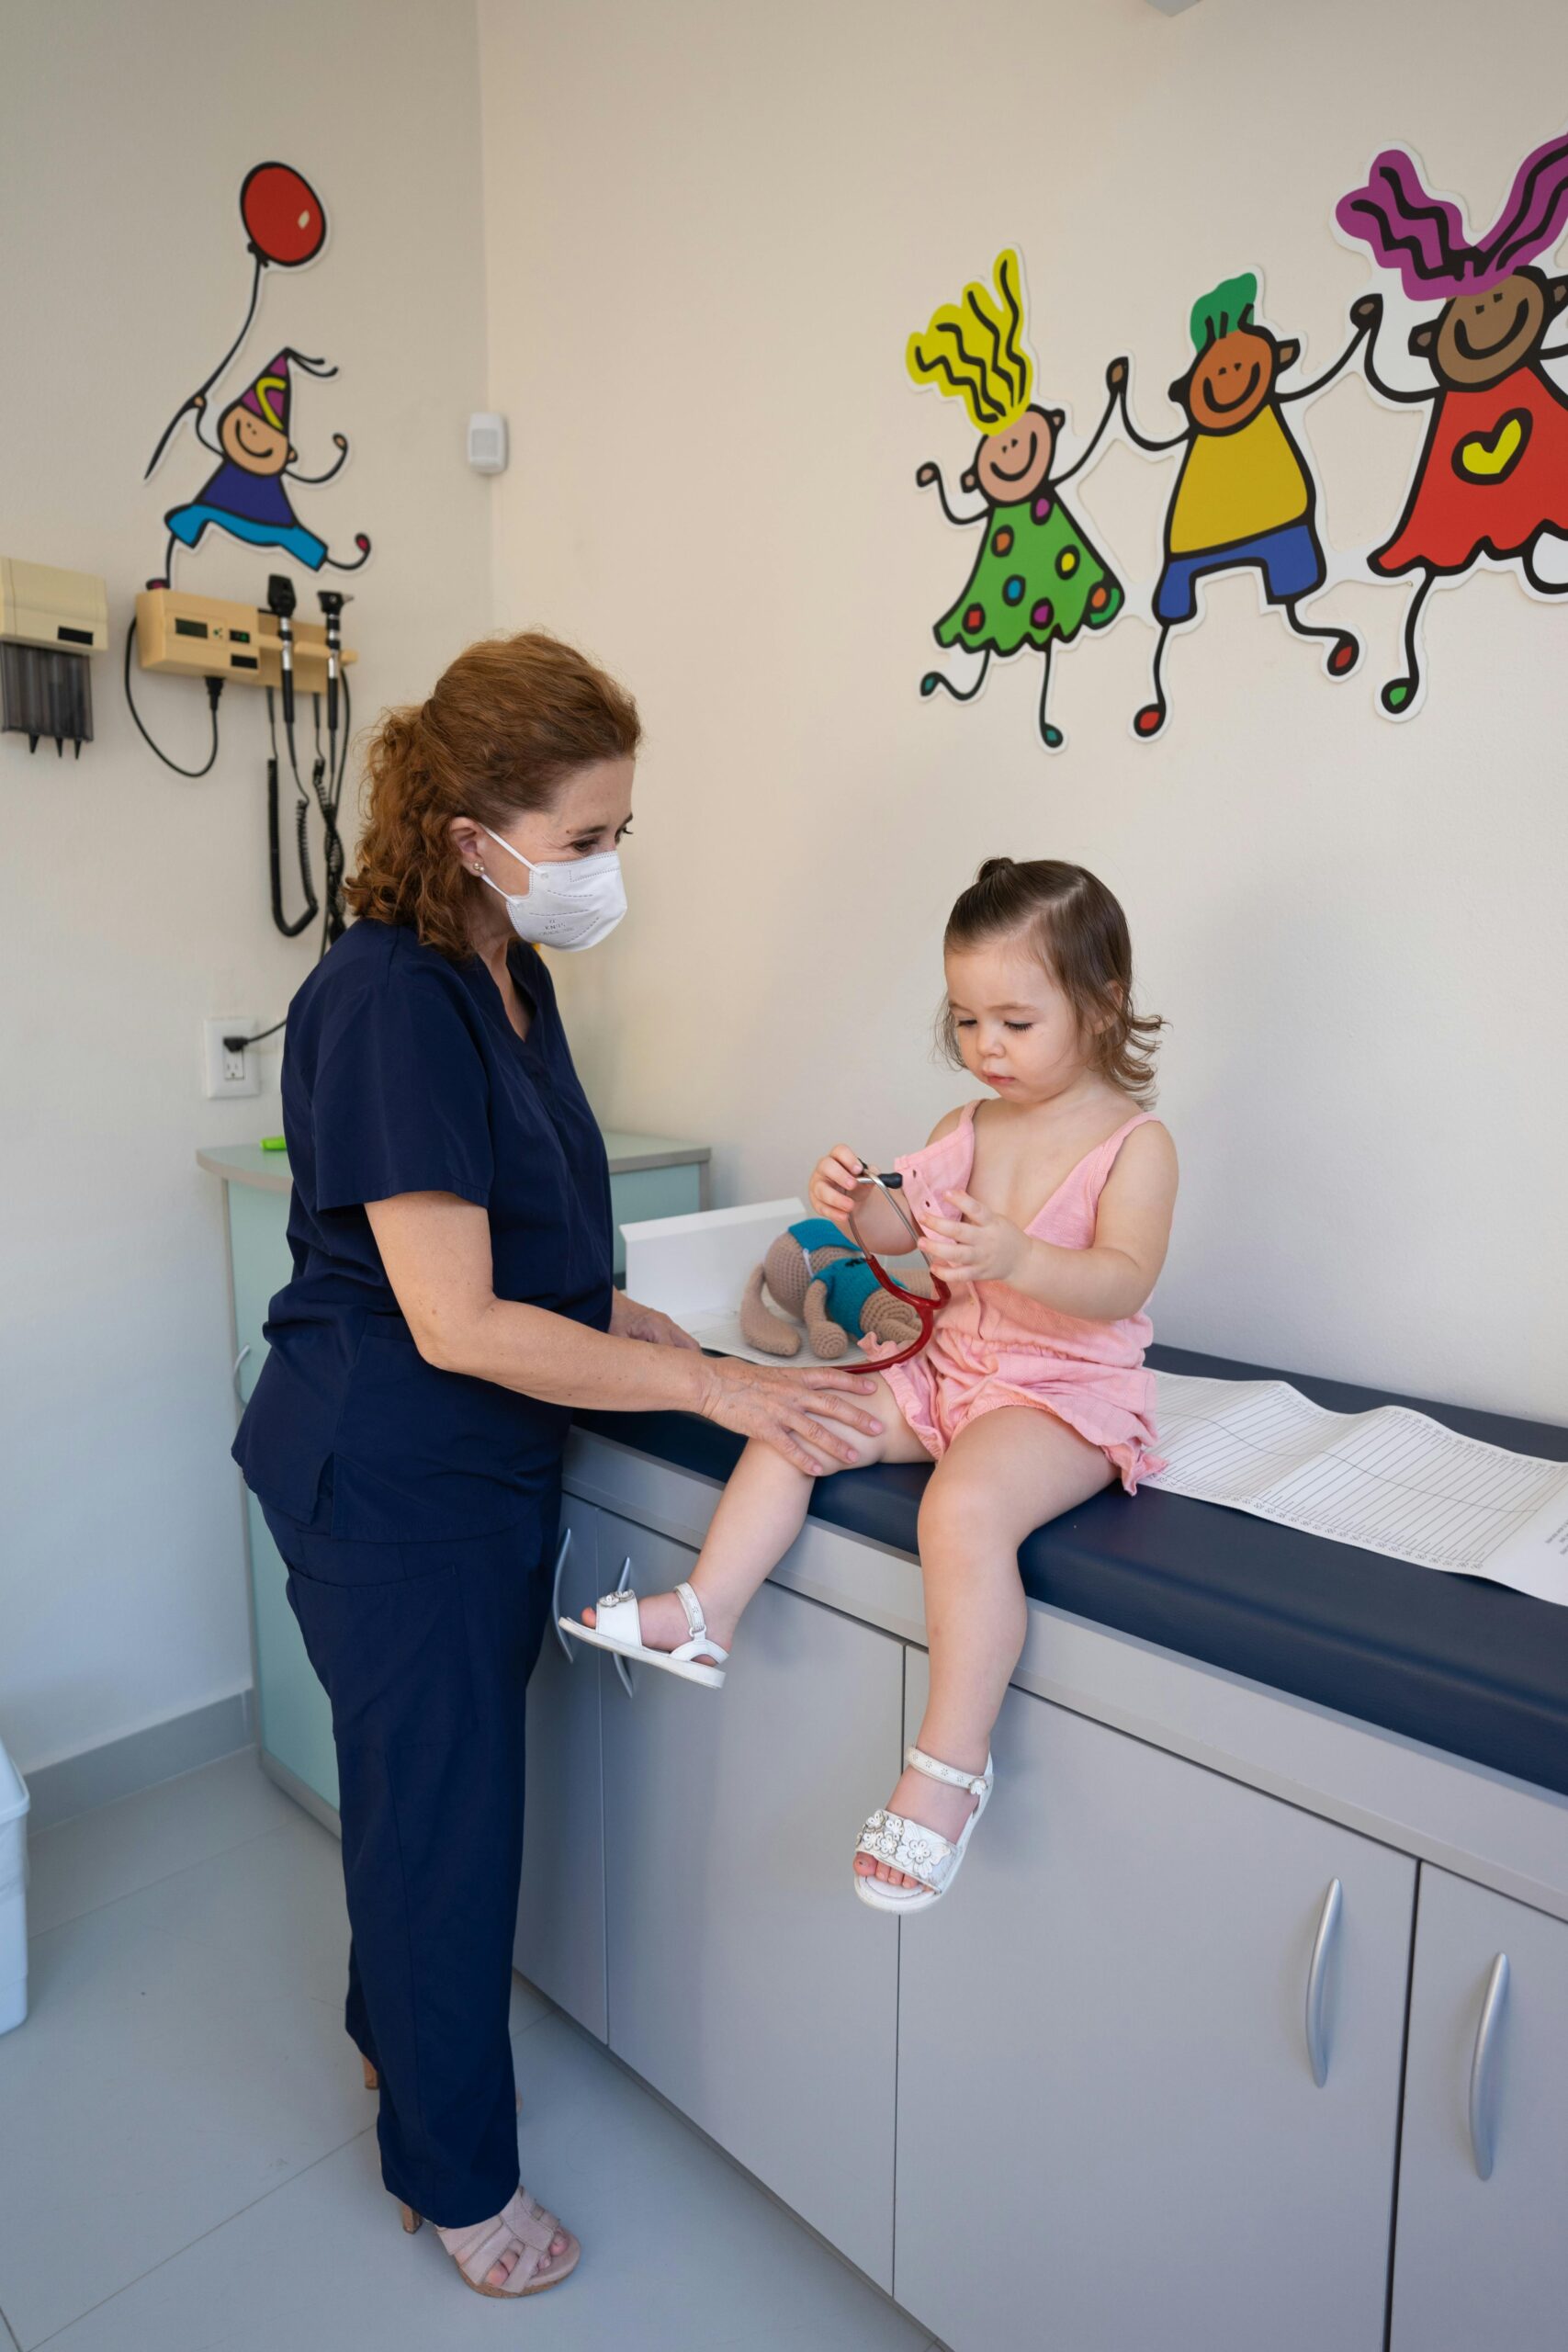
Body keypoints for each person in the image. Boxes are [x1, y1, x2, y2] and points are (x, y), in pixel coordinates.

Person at [231, 630, 881, 2301]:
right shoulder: (387, 997)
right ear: (470, 834)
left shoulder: (515, 975)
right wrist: (734, 1397)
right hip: (390, 1470)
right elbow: (449, 1317)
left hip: (464, 1463)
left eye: (618, 838)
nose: (604, 872)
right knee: (444, 1827)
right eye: (585, 840)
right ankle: (460, 2185)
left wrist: (639, 1327)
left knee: (417, 1801)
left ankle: (397, 2042)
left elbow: (521, 1246)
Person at [567, 857, 1178, 1914]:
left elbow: (1125, 1276)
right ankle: (708, 1612)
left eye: (1016, 1023)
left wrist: (1022, 1259)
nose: (987, 1047)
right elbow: (908, 1247)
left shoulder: (1136, 1145)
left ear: (1103, 1002)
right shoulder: (963, 1128)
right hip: (956, 1364)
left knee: (968, 1506)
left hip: (1062, 1389)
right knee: (798, 1416)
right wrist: (859, 1207)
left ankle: (950, 1762)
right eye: (968, 1020)